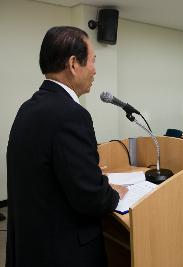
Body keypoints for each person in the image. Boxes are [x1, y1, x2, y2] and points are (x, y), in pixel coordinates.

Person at [6, 26, 127, 267]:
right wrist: (113, 192)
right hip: (64, 251)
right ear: (73, 64)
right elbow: (91, 198)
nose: (94, 70)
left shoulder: (28, 108)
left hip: (31, 246)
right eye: (92, 60)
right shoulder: (71, 114)